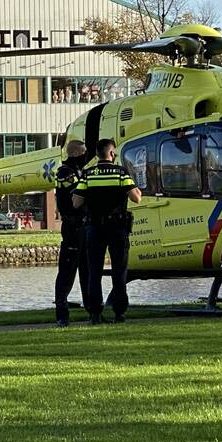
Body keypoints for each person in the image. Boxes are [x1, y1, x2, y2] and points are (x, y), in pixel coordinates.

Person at [73, 138, 142, 324]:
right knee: (119, 271)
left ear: (97, 154)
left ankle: (95, 313)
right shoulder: (121, 173)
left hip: (95, 228)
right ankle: (120, 313)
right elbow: (137, 198)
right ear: (112, 154)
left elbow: (76, 202)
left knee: (94, 271)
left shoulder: (88, 174)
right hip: (118, 228)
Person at [53, 140, 89, 327]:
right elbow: (78, 197)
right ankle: (62, 314)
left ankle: (92, 310)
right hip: (72, 227)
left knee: (87, 271)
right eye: (83, 152)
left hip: (83, 227)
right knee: (67, 272)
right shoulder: (66, 172)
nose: (86, 155)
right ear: (75, 153)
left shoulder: (80, 171)